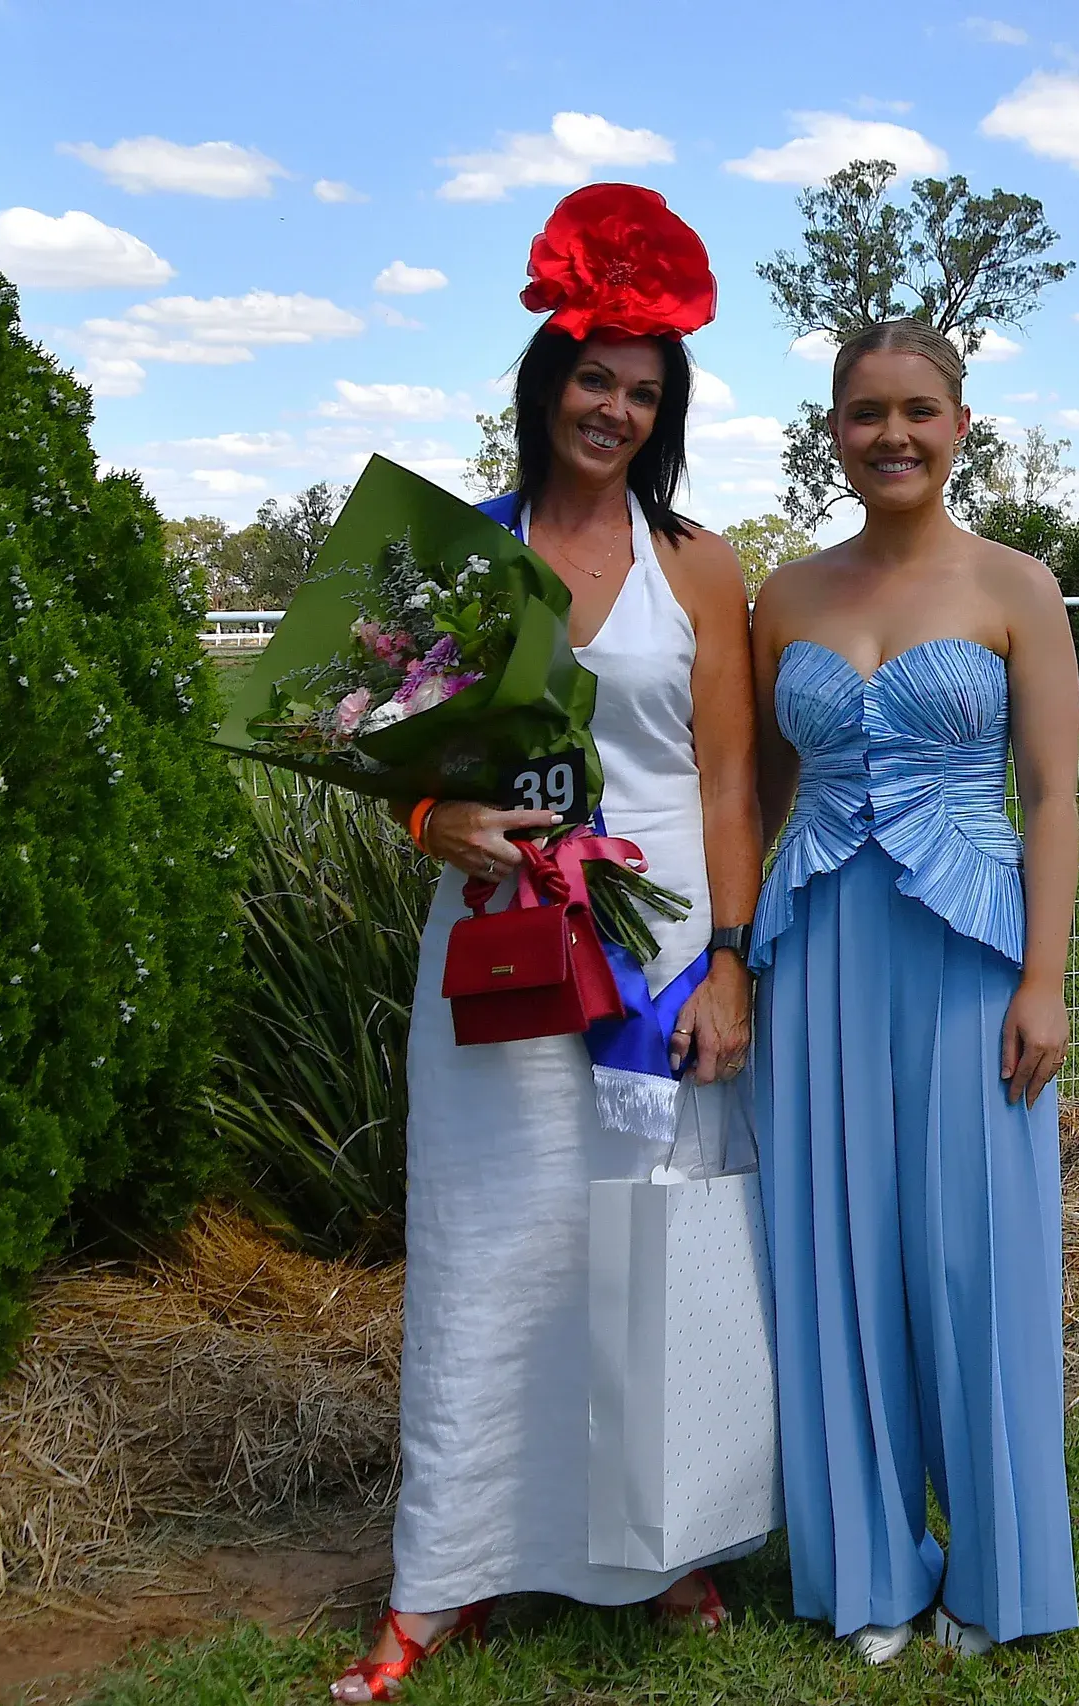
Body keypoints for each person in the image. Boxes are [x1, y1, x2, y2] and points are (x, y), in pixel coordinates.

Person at [332, 185, 765, 1702]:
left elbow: (722, 776)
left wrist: (728, 960)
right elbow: (393, 757)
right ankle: (445, 1577)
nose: (618, 411)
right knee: (490, 1257)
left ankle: (664, 1545)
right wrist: (422, 824)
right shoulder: (459, 557)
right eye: (597, 380)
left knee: (645, 1257)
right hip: (501, 968)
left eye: (647, 394)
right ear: (543, 382)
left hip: (650, 978)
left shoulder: (701, 566)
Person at [746, 319, 1079, 1664]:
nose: (892, 434)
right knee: (836, 1248)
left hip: (971, 954)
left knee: (971, 1251)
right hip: (819, 946)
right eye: (864, 412)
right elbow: (755, 796)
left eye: (919, 410)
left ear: (960, 424)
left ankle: (997, 1573)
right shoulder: (785, 597)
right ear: (831, 428)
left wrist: (1045, 974)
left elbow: (1053, 789)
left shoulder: (1016, 585)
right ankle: (871, 1566)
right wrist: (722, 943)